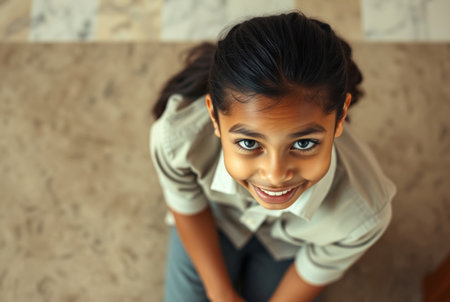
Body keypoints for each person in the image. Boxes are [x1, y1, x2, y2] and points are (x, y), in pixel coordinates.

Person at [150, 11, 396, 302]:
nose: (276, 175)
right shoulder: (176, 141)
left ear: (341, 116)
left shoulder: (363, 216)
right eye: (248, 143)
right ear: (214, 116)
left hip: (293, 245)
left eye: (304, 143)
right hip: (215, 218)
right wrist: (221, 294)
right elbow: (186, 206)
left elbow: (315, 269)